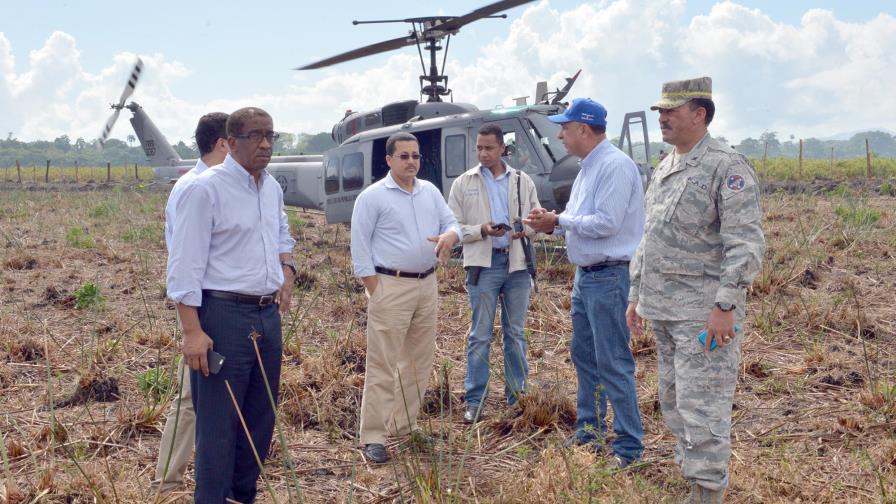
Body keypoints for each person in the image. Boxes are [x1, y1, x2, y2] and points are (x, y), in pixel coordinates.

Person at [626, 77, 764, 503]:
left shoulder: (727, 166)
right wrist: (636, 295)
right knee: (673, 400)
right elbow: (649, 237)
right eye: (660, 111)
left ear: (699, 113)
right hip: (664, 309)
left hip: (702, 315)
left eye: (671, 110)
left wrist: (725, 305)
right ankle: (695, 479)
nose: (663, 118)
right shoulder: (667, 165)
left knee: (702, 407)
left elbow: (745, 244)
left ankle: (707, 492)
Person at [167, 107, 296, 503]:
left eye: (271, 135)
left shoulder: (270, 187)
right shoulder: (204, 189)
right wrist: (192, 331)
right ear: (231, 141)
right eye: (256, 136)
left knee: (260, 419)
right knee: (219, 426)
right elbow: (184, 266)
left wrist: (286, 272)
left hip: (265, 314)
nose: (266, 144)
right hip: (222, 316)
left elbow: (278, 236)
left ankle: (243, 495)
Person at [525, 98, 645, 468]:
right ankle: (589, 436)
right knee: (586, 359)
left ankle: (628, 449)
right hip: (588, 277)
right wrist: (553, 222)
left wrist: (558, 221)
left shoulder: (614, 167)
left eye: (565, 127)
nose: (559, 134)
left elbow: (606, 224)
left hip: (609, 277)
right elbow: (582, 221)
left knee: (612, 362)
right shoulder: (587, 169)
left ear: (583, 129)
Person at [350, 132, 460, 464]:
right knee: (383, 363)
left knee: (418, 361)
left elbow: (451, 221)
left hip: (427, 285)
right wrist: (376, 289)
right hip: (390, 286)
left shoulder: (430, 192)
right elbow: (360, 249)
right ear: (389, 160)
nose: (411, 161)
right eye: (404, 156)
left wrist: (451, 235)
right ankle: (373, 436)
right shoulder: (372, 198)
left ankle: (403, 425)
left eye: (415, 156)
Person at [153, 112, 228, 494]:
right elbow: (183, 262)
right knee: (191, 394)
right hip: (203, 304)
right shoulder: (195, 187)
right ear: (223, 144)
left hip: (218, 303)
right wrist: (192, 326)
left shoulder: (212, 184)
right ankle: (168, 480)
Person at [447, 123, 540, 423]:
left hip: (516, 265)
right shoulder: (463, 183)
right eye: (479, 148)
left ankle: (518, 397)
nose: (483, 153)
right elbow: (452, 227)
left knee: (515, 334)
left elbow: (537, 220)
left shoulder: (522, 181)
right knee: (480, 335)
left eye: (489, 148)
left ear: (503, 148)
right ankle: (475, 401)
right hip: (483, 267)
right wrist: (482, 230)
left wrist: (522, 229)